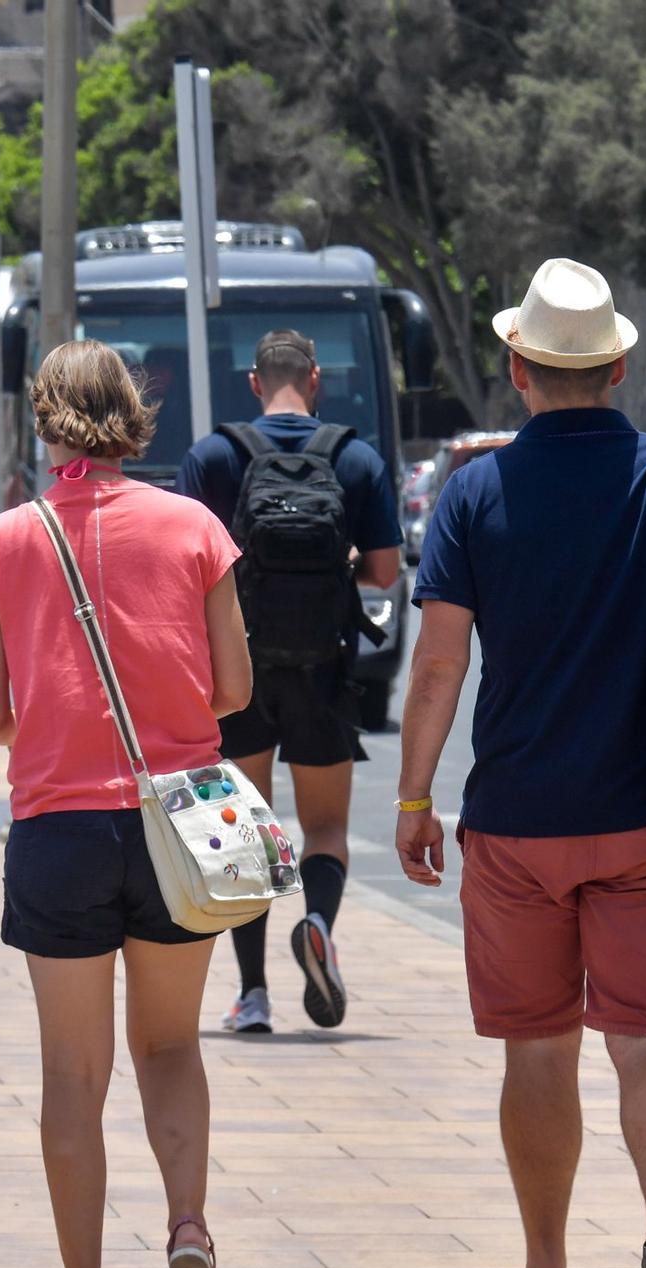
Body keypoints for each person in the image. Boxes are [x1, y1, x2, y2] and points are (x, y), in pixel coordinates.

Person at [397, 258, 646, 1268]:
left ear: (516, 370)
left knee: (538, 1045)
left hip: (512, 824)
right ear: (614, 365)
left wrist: (415, 794)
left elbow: (436, 667)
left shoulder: (472, 492)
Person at [0, 341, 252, 1268]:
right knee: (170, 1042)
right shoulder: (194, 528)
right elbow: (232, 690)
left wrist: (55, 710)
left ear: (42, 422)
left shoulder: (3, 542)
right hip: (182, 823)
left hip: (57, 825)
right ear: (131, 415)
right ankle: (187, 1227)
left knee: (71, 1072)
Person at [176, 329, 403, 1035]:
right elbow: (388, 572)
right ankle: (317, 924)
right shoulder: (354, 457)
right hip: (324, 670)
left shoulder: (215, 456)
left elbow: (188, 570)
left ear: (253, 382)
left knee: (246, 832)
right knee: (325, 826)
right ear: (315, 379)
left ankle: (252, 997)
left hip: (236, 675)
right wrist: (340, 571)